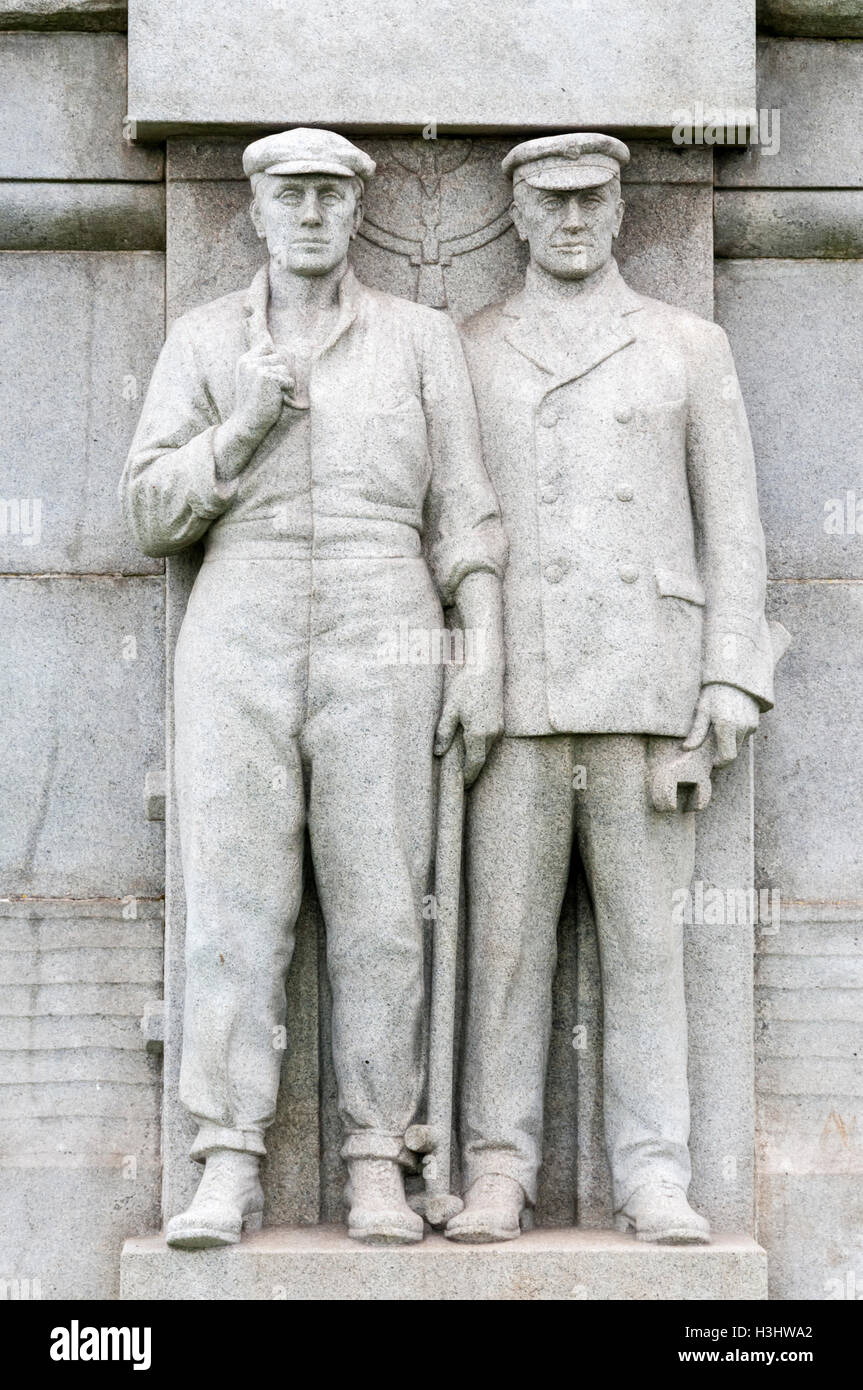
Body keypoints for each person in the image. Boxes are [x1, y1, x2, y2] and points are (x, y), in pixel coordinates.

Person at [120, 127, 506, 1248]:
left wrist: (478, 653)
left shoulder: (420, 339)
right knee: (234, 899)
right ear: (255, 209)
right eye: (289, 193)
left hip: (382, 612)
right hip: (238, 611)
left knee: (383, 900)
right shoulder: (202, 341)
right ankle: (228, 1158)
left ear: (355, 211)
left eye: (331, 195)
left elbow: (466, 513)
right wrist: (239, 429)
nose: (310, 214)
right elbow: (149, 512)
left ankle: (379, 1159)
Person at [447, 133, 774, 1245]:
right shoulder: (472, 348)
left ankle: (652, 1174)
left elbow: (733, 524)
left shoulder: (687, 346)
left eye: (592, 199)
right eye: (551, 203)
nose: (574, 220)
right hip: (520, 698)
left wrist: (729, 676)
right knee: (503, 948)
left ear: (622, 210)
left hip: (648, 690)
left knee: (648, 950)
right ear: (519, 219)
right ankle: (497, 1168)